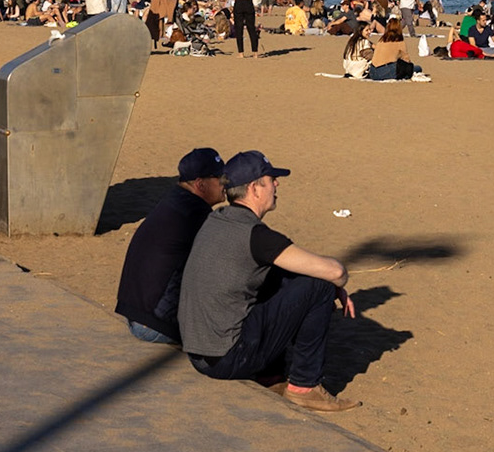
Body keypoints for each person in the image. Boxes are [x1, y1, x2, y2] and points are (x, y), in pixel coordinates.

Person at [178, 151, 360, 413]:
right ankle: (304, 387)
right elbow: (335, 272)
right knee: (318, 286)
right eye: (271, 179)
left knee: (276, 277)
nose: (277, 184)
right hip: (227, 358)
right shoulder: (257, 237)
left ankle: (269, 376)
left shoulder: (216, 219)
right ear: (254, 188)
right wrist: (336, 286)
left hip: (200, 355)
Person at [115, 148, 226, 343]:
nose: (226, 182)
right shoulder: (194, 213)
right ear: (200, 184)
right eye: (219, 177)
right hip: (154, 325)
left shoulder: (174, 201)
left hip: (137, 314)